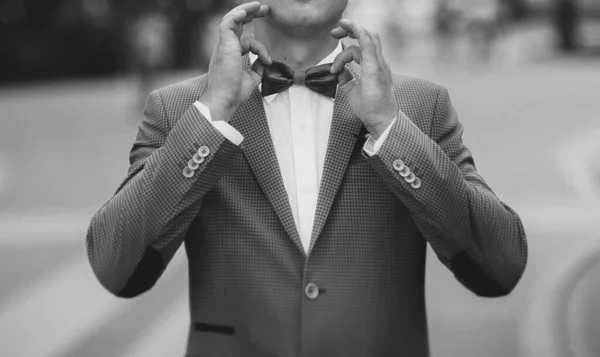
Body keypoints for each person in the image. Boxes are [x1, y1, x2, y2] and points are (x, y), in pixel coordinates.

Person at [86, 1, 528, 356]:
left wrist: (390, 128)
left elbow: (500, 267)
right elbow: (115, 268)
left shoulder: (419, 105)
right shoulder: (179, 108)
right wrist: (211, 115)